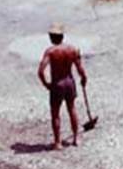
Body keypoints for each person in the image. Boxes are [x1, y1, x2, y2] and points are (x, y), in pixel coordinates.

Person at [37, 22, 88, 150]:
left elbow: (41, 71)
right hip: (69, 82)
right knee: (72, 109)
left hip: (57, 83)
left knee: (55, 113)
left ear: (52, 37)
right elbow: (80, 68)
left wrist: (46, 84)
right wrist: (83, 79)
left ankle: (58, 142)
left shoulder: (51, 51)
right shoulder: (72, 49)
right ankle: (76, 138)